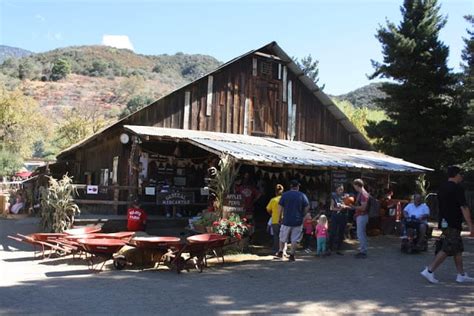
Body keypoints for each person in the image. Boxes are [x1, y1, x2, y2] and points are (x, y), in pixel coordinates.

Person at [421, 166, 474, 284]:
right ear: (456, 174)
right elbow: (464, 207)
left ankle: (461, 275)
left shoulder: (442, 187)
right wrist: (470, 225)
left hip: (444, 222)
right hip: (453, 223)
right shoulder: (457, 188)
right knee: (447, 247)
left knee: (457, 249)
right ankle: (429, 270)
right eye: (460, 174)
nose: (462, 176)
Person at [276, 179, 309, 262]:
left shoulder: (285, 195)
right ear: (297, 186)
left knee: (282, 236)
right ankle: (292, 255)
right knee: (295, 239)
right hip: (298, 220)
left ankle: (280, 251)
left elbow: (280, 207)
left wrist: (279, 217)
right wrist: (303, 215)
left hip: (286, 220)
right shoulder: (302, 195)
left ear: (290, 186)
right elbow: (307, 207)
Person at [329, 184, 350, 255]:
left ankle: (339, 249)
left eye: (342, 189)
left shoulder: (346, 196)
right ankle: (330, 248)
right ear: (336, 189)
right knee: (333, 232)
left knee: (341, 232)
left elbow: (350, 205)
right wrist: (339, 208)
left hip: (343, 216)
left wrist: (346, 206)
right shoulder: (334, 196)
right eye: (340, 189)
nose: (341, 190)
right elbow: (331, 208)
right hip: (335, 216)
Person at [352, 178, 369, 259]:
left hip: (362, 216)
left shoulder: (363, 194)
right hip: (360, 216)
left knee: (360, 234)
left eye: (355, 186)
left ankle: (363, 251)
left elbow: (363, 207)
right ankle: (363, 249)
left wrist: (353, 207)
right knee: (362, 233)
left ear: (358, 185)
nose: (354, 188)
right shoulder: (361, 193)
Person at [266, 184, 284, 254]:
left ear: (275, 192)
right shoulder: (284, 199)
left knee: (276, 236)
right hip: (284, 220)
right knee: (283, 236)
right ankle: (283, 250)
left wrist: (272, 214)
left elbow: (268, 209)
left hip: (275, 220)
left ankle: (277, 250)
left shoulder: (273, 200)